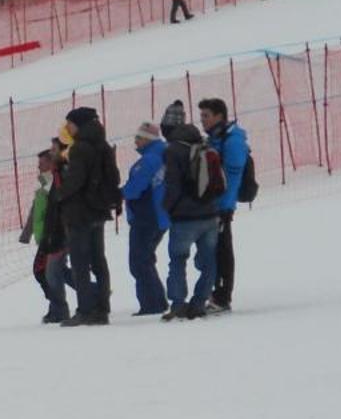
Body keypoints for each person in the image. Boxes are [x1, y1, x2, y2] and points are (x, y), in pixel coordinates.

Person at [52, 107, 121, 327]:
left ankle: (85, 309)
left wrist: (59, 197)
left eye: (70, 124)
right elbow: (114, 176)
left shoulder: (80, 148)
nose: (68, 128)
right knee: (99, 259)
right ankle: (102, 308)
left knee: (80, 262)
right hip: (99, 210)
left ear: (79, 124)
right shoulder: (103, 146)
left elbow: (75, 180)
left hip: (80, 212)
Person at [161, 118, 223, 319]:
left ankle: (178, 303)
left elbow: (173, 185)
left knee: (178, 260)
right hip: (210, 213)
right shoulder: (204, 145)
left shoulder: (173, 151)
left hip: (184, 217)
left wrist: (167, 208)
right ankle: (199, 302)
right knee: (209, 261)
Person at [200, 98, 249, 313]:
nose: (203, 120)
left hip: (222, 206)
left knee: (222, 249)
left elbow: (233, 175)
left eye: (206, 116)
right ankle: (216, 292)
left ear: (219, 116)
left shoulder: (232, 140)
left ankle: (222, 296)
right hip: (213, 204)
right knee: (213, 249)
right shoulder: (215, 139)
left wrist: (225, 205)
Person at [120, 119, 172, 315]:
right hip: (161, 215)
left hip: (147, 216)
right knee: (146, 259)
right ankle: (157, 300)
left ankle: (152, 303)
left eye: (138, 138)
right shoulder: (164, 153)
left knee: (139, 261)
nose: (135, 142)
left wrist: (119, 194)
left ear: (147, 139)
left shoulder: (150, 159)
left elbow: (135, 189)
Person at [19, 145, 71, 324]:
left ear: (51, 163)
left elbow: (54, 212)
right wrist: (26, 234)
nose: (38, 167)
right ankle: (92, 294)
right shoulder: (44, 185)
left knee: (42, 271)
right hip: (46, 237)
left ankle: (59, 308)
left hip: (54, 237)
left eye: (41, 163)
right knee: (57, 272)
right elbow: (36, 212)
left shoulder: (54, 184)